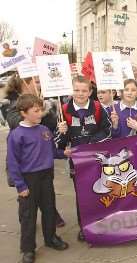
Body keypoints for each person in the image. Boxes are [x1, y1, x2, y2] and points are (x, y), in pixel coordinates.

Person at [7, 94, 69, 263]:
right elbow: (13, 162)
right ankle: (27, 249)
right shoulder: (16, 134)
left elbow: (52, 151)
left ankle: (51, 238)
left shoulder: (44, 130)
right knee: (28, 215)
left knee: (49, 209)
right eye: (36, 111)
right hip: (28, 179)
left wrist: (63, 153)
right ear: (23, 113)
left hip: (46, 176)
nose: (40, 113)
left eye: (41, 110)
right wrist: (20, 185)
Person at [4, 74, 65, 227]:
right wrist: (39, 113)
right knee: (27, 197)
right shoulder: (13, 103)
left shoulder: (41, 101)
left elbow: (50, 126)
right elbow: (14, 122)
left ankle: (51, 219)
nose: (39, 84)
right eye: (36, 82)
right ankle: (26, 224)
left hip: (42, 160)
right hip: (26, 163)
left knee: (45, 195)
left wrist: (59, 125)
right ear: (24, 85)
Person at [55, 76, 112, 242]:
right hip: (77, 162)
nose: (80, 94)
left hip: (96, 158)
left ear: (90, 92)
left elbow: (108, 131)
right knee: (81, 195)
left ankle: (101, 223)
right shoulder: (63, 110)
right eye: (77, 90)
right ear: (72, 90)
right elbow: (59, 144)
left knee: (101, 190)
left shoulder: (98, 107)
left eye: (84, 90)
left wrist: (90, 143)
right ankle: (84, 226)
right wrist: (62, 132)